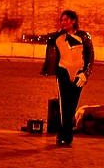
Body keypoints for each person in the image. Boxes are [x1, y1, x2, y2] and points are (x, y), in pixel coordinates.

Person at [40, 10, 94, 147]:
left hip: (78, 73)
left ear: (73, 21)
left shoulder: (84, 37)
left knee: (72, 105)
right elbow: (41, 38)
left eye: (66, 20)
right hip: (63, 71)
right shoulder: (57, 37)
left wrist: (86, 73)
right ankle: (64, 136)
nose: (63, 23)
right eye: (62, 20)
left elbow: (90, 57)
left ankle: (64, 135)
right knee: (63, 104)